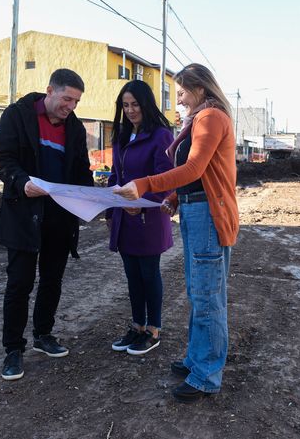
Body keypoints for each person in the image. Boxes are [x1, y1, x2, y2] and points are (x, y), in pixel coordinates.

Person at [114, 64, 238, 403]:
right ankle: (197, 361)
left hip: (208, 216)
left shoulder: (210, 117)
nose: (178, 97)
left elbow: (194, 168)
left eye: (181, 90)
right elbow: (200, 175)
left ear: (198, 88)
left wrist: (146, 184)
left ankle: (207, 375)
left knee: (207, 297)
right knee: (199, 292)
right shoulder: (199, 119)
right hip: (197, 211)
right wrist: (174, 197)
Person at [0, 68, 94, 381]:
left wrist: (94, 197)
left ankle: (44, 335)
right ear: (49, 91)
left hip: (60, 217)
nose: (71, 106)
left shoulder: (74, 127)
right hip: (24, 213)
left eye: (76, 101)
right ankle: (13, 349)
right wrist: (21, 182)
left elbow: (80, 169)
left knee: (52, 279)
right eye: (66, 99)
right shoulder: (18, 115)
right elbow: (1, 158)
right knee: (19, 282)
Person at [106, 80, 174, 355]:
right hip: (124, 218)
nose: (131, 110)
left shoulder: (161, 135)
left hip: (148, 218)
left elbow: (166, 178)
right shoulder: (121, 135)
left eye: (135, 104)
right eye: (125, 105)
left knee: (148, 274)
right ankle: (137, 327)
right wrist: (110, 208)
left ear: (146, 104)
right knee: (132, 276)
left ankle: (153, 329)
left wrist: (145, 206)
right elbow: (115, 176)